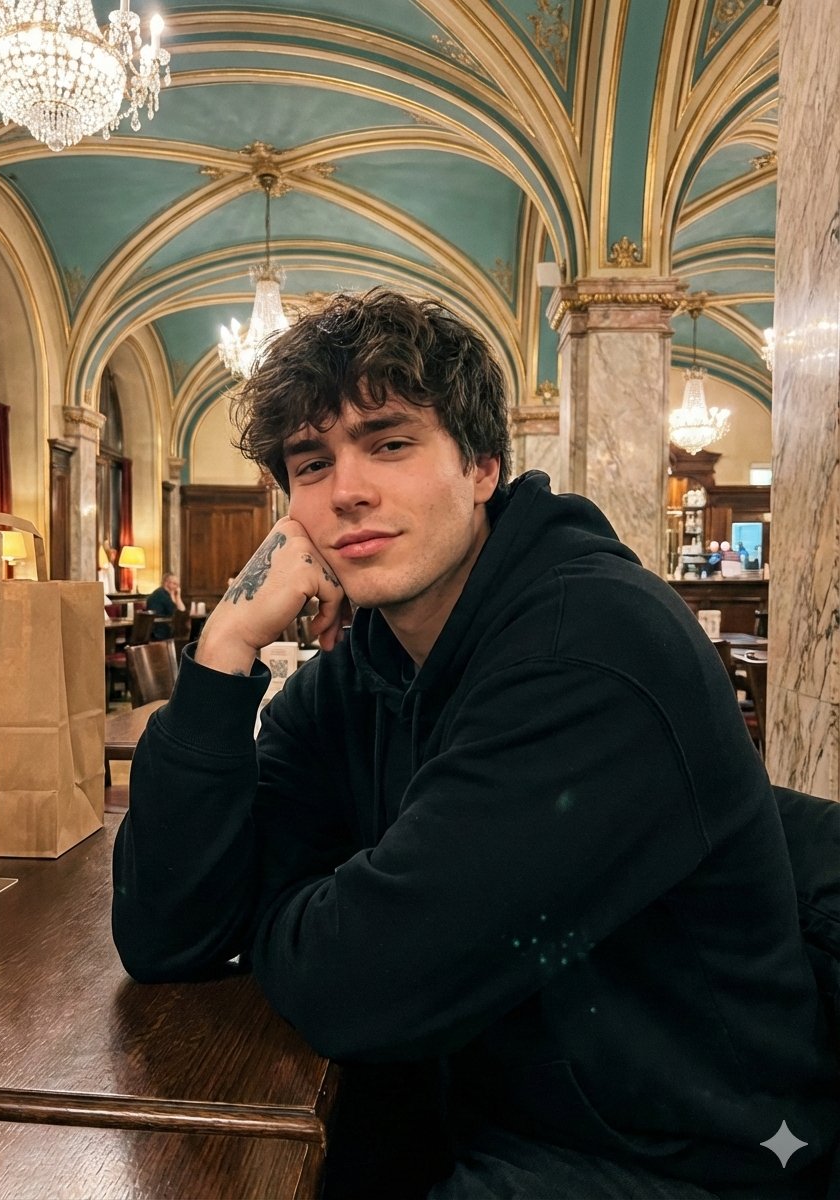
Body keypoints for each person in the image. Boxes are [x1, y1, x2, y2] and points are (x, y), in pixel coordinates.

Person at [112, 289, 839, 1200]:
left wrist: (279, 907)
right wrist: (223, 654)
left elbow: (361, 986)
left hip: (676, 1159)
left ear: (484, 464)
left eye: (389, 443)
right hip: (483, 1105)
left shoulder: (594, 651)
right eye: (310, 463)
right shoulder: (366, 662)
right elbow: (166, 933)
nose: (348, 489)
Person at [145, 571, 185, 640]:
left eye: (178, 585)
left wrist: (176, 596)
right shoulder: (161, 595)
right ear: (166, 583)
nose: (177, 587)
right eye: (175, 584)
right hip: (159, 631)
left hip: (160, 627)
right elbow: (178, 612)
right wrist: (176, 596)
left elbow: (182, 610)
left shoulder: (163, 593)